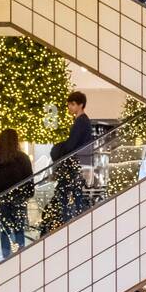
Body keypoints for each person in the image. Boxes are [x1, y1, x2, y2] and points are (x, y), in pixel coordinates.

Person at [49, 91, 95, 224]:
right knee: (74, 192)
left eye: (72, 104)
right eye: (69, 104)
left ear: (80, 105)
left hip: (75, 163)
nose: (69, 107)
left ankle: (72, 222)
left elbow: (72, 144)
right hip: (78, 163)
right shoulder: (81, 120)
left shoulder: (81, 121)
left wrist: (58, 149)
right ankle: (76, 220)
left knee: (68, 191)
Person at [0, 127, 35, 257]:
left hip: (2, 200)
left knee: (5, 229)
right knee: (19, 228)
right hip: (19, 199)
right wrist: (28, 194)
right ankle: (19, 254)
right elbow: (29, 179)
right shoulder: (23, 158)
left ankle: (6, 256)